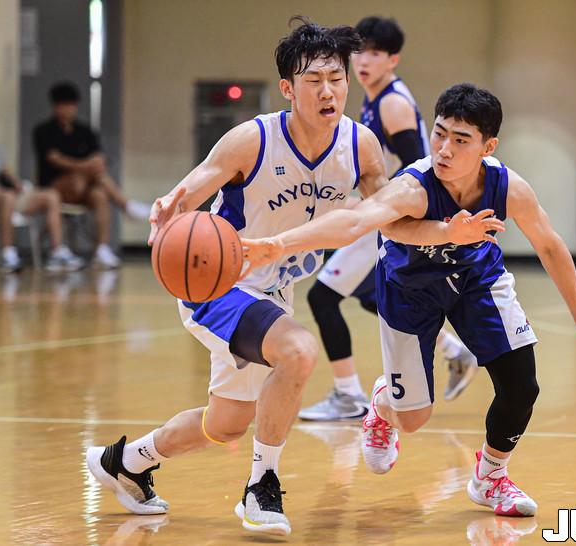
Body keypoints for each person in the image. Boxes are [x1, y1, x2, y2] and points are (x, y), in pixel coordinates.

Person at [84, 19, 493, 536]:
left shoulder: (360, 146)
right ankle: (262, 486)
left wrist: (446, 232)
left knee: (226, 423)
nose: (328, 91)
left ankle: (125, 462)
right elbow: (192, 189)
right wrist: (170, 208)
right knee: (298, 351)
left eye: (337, 79)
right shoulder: (253, 140)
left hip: (275, 292)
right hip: (221, 285)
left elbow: (392, 221)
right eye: (313, 80)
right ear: (287, 88)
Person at [241, 83, 576, 517]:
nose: (444, 149)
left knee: (522, 386)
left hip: (476, 280)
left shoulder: (508, 187)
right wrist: (279, 244)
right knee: (414, 418)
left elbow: (549, 244)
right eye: (439, 134)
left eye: (461, 140)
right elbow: (354, 221)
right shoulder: (413, 187)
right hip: (409, 289)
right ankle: (383, 405)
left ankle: (491, 477)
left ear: (488, 147)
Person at [300, 16, 477, 422]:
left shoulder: (392, 104)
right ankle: (454, 349)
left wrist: (380, 209)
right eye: (360, 51)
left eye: (375, 53)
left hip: (390, 216)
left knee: (322, 298)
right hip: (381, 211)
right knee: (372, 296)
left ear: (392, 60)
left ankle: (348, 395)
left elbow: (418, 168)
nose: (364, 60)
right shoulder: (374, 98)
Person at [33, 82, 151, 268]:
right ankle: (126, 205)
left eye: (71, 105)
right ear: (56, 106)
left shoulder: (85, 131)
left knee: (100, 195)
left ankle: (102, 248)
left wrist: (92, 164)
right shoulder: (43, 131)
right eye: (64, 105)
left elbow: (98, 157)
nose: (68, 110)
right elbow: (54, 158)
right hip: (56, 187)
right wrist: (83, 166)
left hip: (84, 189)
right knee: (82, 176)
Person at [0, 106, 84, 272]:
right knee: (7, 197)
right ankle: (7, 254)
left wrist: (16, 183)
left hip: (4, 193)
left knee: (51, 195)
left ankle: (57, 252)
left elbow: (4, 168)